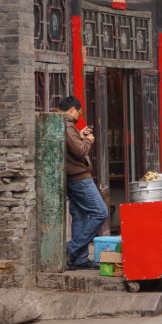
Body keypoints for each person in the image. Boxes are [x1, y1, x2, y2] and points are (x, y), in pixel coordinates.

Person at [58, 95, 109, 270]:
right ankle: (70, 248)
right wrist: (88, 140)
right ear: (73, 109)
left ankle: (79, 259)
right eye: (79, 111)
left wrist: (79, 135)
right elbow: (80, 151)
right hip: (79, 178)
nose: (79, 115)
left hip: (72, 177)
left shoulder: (63, 125)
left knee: (79, 215)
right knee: (100, 213)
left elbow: (71, 147)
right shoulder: (66, 124)